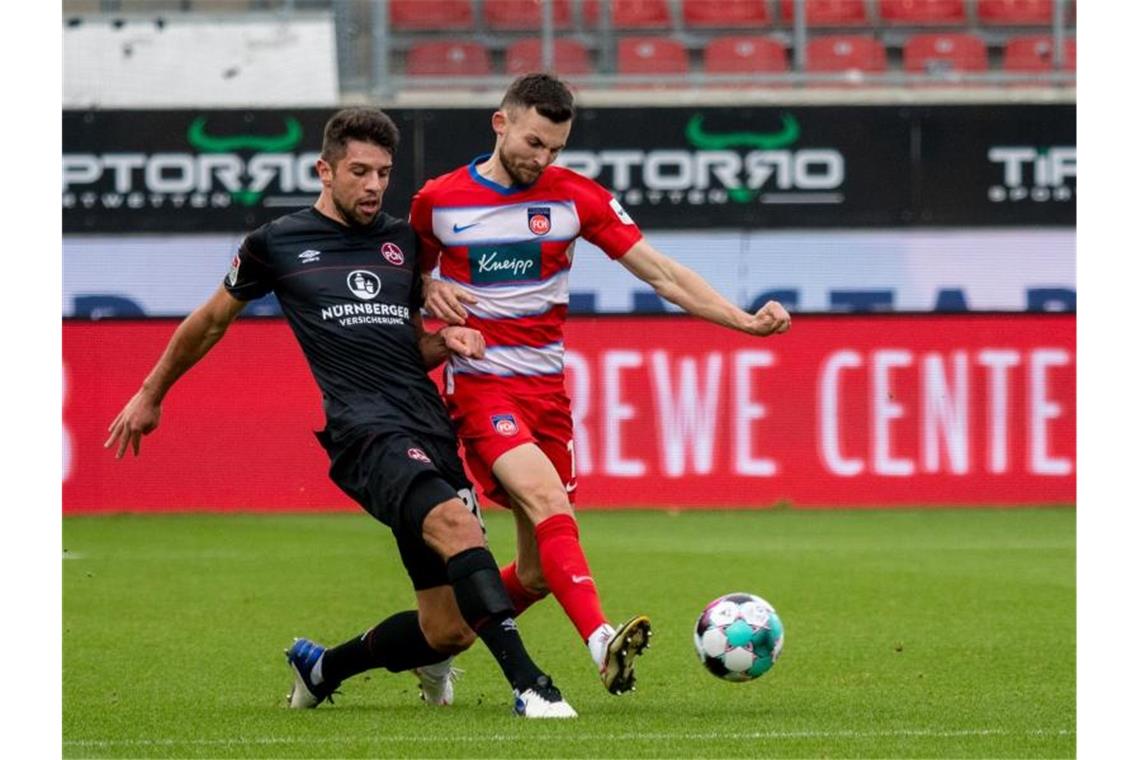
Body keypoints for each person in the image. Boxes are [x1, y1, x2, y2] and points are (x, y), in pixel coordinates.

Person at [104, 107, 577, 719]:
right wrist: (151, 392)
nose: (374, 185)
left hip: (426, 422)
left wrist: (443, 343)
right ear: (324, 170)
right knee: (459, 532)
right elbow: (211, 320)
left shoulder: (403, 243)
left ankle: (323, 667)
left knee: (448, 629)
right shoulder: (277, 243)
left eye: (383, 172)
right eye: (359, 171)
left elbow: (402, 342)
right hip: (363, 429)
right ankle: (532, 685)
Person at [410, 73, 793, 695]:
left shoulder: (575, 198)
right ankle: (599, 641)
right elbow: (404, 274)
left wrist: (743, 321)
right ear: (500, 123)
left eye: (556, 148)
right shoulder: (439, 200)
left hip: (547, 398)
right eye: (534, 142)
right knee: (548, 502)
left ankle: (438, 642)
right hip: (482, 389)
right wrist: (429, 291)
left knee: (536, 572)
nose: (543, 159)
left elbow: (662, 274)